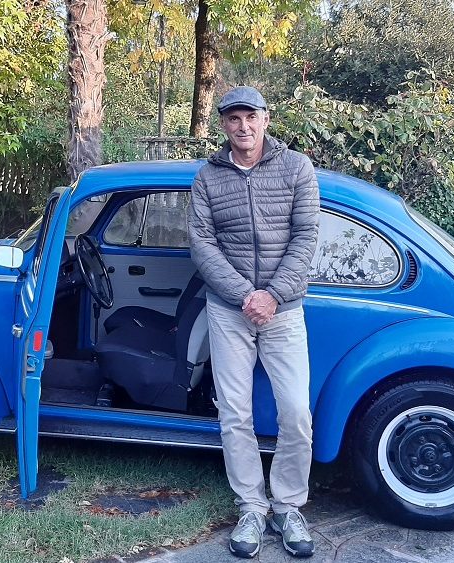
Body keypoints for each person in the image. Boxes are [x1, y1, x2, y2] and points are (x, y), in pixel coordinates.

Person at [188, 86, 319, 558]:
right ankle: (251, 507)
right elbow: (201, 243)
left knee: (296, 414)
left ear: (266, 119)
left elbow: (306, 237)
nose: (243, 126)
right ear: (223, 125)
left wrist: (273, 294)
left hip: (284, 311)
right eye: (233, 118)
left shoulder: (296, 168)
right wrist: (246, 295)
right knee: (234, 413)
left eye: (251, 116)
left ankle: (287, 507)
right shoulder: (207, 177)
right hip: (229, 310)